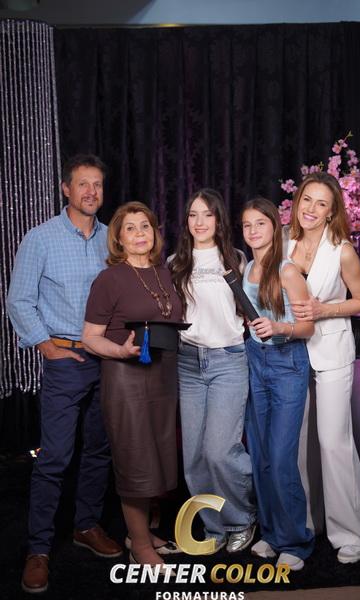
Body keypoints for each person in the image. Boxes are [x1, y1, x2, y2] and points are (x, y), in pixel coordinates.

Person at [6, 155, 122, 594]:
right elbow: (19, 299)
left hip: (108, 361)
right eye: (83, 184)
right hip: (66, 360)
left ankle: (86, 525)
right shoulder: (41, 238)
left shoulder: (112, 238)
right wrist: (47, 347)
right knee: (55, 456)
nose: (91, 192)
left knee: (99, 449)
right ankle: (38, 549)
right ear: (66, 189)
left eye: (98, 185)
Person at [82, 201, 183, 570]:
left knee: (157, 458)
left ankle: (140, 534)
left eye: (145, 226)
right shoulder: (109, 279)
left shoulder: (163, 272)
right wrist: (120, 351)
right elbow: (90, 338)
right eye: (130, 228)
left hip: (163, 376)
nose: (140, 233)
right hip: (126, 379)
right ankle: (140, 545)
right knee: (136, 460)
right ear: (119, 239)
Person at [284, 171, 360, 564]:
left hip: (332, 350)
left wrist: (325, 310)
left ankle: (351, 533)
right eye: (307, 199)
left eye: (321, 203)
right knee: (298, 444)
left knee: (334, 442)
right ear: (297, 201)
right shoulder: (283, 242)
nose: (311, 209)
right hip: (290, 353)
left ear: (332, 211)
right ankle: (305, 523)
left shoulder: (343, 250)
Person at [169, 188, 256, 553]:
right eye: (193, 214)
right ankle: (214, 527)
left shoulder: (236, 258)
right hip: (188, 362)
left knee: (220, 450)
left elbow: (252, 307)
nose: (199, 222)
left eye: (207, 214)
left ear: (219, 220)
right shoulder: (175, 263)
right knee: (194, 456)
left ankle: (242, 518)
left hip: (228, 360)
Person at [241, 197, 315, 571]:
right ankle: (272, 534)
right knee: (261, 455)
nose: (253, 230)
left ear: (274, 226)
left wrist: (279, 327)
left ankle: (296, 542)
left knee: (282, 456)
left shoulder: (287, 271)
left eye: (260, 223)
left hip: (287, 364)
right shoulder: (247, 268)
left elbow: (308, 327)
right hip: (256, 361)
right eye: (247, 225)